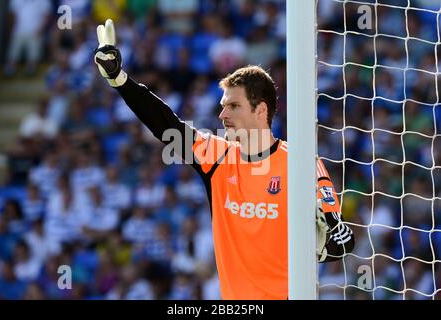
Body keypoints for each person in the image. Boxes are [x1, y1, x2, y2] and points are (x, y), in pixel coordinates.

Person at [94, 19, 355, 300]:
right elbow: (166, 125)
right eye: (222, 106)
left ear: (261, 110)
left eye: (233, 106)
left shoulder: (302, 163)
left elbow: (341, 239)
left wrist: (325, 244)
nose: (222, 115)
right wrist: (120, 80)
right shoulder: (216, 157)